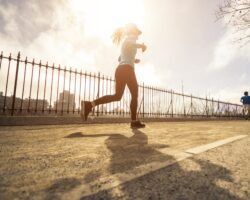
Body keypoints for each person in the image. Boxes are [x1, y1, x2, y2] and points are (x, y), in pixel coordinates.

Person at [81, 23, 147, 128]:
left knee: (117, 96)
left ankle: (89, 105)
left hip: (121, 70)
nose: (138, 35)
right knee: (134, 94)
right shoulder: (131, 39)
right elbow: (130, 46)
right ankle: (134, 121)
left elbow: (120, 58)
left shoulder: (127, 41)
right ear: (133, 31)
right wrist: (142, 46)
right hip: (127, 70)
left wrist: (133, 60)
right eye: (137, 32)